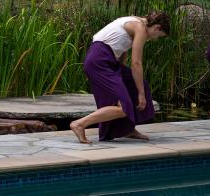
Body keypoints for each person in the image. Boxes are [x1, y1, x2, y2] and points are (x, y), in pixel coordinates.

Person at [70, 11, 171, 144]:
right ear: (157, 27)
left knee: (138, 84)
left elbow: (122, 48)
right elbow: (136, 63)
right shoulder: (140, 28)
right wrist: (140, 95)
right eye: (158, 35)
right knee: (124, 108)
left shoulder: (134, 21)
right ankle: (79, 124)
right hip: (100, 61)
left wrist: (121, 74)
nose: (155, 38)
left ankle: (127, 129)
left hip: (108, 61)